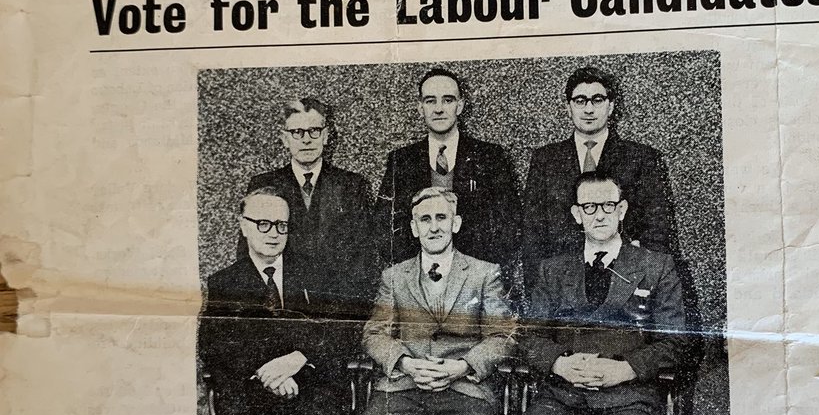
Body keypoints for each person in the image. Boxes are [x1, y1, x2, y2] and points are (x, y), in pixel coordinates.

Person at [509, 173, 688, 415]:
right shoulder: (552, 270)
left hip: (628, 399)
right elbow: (529, 336)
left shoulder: (656, 266)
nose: (600, 216)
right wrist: (559, 363)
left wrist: (627, 369)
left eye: (608, 205)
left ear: (622, 210)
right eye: (590, 207)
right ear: (577, 214)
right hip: (562, 396)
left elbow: (677, 342)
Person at [346, 187, 516, 415]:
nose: (434, 227)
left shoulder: (484, 273)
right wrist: (403, 363)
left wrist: (462, 366)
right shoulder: (394, 276)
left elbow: (502, 335)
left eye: (441, 218)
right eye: (425, 220)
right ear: (414, 228)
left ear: (455, 223)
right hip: (403, 388)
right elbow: (375, 333)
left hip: (464, 388)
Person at [199, 189, 345, 415]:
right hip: (249, 388)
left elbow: (337, 330)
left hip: (308, 382)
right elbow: (213, 346)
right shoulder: (225, 282)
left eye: (281, 225)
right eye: (263, 224)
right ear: (244, 226)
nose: (273, 233)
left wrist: (298, 359)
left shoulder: (315, 274)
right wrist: (268, 373)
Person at [522, 66, 676, 290]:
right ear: (569, 107)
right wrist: (538, 287)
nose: (589, 109)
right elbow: (533, 233)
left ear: (611, 106)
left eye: (597, 100)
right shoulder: (545, 160)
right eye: (580, 101)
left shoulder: (641, 158)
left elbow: (657, 228)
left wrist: (643, 279)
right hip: (562, 282)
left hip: (623, 280)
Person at [376, 68, 520, 276]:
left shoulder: (490, 156)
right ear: (420, 107)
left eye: (448, 100)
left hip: (475, 278)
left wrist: (477, 271)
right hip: (418, 279)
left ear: (460, 106)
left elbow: (509, 225)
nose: (439, 109)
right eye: (430, 101)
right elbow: (385, 228)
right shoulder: (401, 160)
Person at [246, 96, 375, 311]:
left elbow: (364, 258)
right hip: (283, 308)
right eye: (297, 132)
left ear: (325, 136)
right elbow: (248, 255)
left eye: (314, 130)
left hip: (338, 309)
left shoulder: (352, 185)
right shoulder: (264, 184)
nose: (306, 139)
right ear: (284, 138)